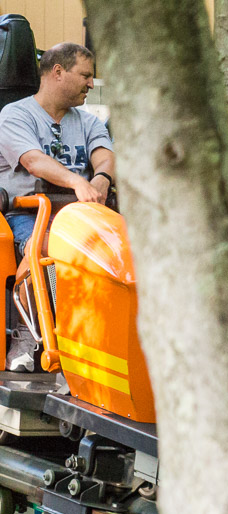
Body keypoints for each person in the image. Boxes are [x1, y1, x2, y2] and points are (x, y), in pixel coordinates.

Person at [0, 41, 114, 371]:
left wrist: (102, 178)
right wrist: (78, 182)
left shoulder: (88, 121)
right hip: (29, 213)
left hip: (80, 215)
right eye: (86, 75)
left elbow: (104, 154)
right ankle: (26, 336)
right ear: (58, 72)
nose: (91, 84)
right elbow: (34, 160)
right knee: (51, 249)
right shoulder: (15, 115)